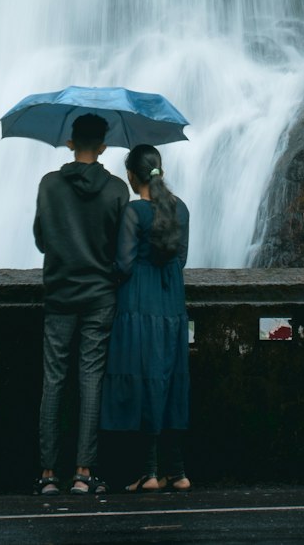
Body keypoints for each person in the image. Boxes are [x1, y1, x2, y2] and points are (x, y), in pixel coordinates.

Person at [32, 112, 129, 496]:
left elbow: (41, 240)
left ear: (70, 143)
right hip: (100, 295)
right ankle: (84, 473)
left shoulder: (49, 185)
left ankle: (47, 475)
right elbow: (122, 249)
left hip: (58, 294)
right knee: (91, 379)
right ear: (103, 146)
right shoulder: (117, 190)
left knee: (53, 380)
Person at [100, 143, 192, 492]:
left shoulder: (135, 212)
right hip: (171, 304)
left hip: (139, 303)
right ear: (160, 172)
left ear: (131, 175)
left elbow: (123, 264)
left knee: (144, 381)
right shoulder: (180, 208)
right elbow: (180, 259)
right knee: (170, 381)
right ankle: (178, 471)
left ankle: (149, 471)